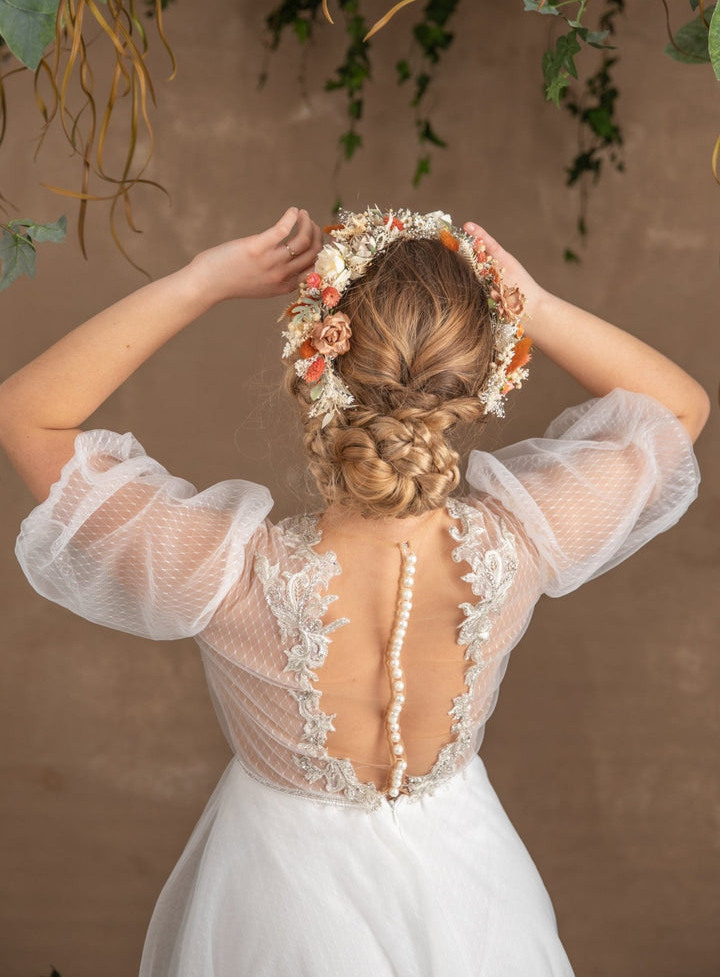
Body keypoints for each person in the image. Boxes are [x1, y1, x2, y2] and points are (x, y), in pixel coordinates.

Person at [0, 206, 708, 976]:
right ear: (485, 375)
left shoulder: (226, 574)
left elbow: (26, 418)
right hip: (472, 896)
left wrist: (199, 281)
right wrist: (529, 302)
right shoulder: (521, 544)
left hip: (281, 904)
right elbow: (679, 410)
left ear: (314, 369)